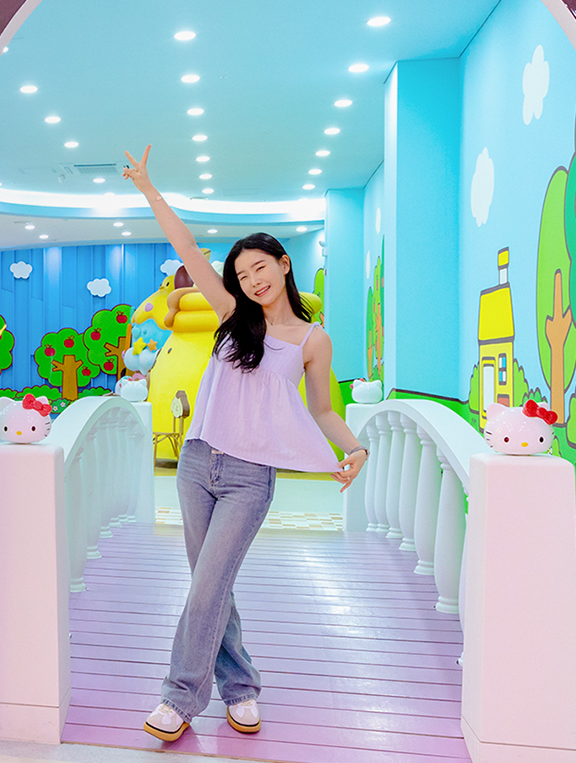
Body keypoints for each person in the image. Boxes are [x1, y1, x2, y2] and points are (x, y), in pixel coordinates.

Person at [121, 145, 367, 742]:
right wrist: (151, 191)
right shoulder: (233, 315)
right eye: (242, 273)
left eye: (261, 267)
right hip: (198, 462)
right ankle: (241, 688)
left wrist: (353, 448)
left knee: (208, 584)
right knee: (213, 583)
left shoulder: (313, 339)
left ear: (283, 264)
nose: (252, 280)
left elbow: (320, 409)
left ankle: (179, 699)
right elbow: (185, 249)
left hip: (249, 479)